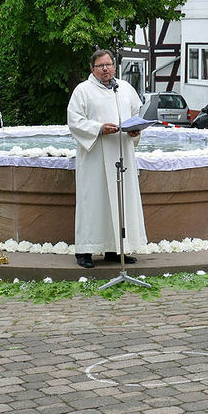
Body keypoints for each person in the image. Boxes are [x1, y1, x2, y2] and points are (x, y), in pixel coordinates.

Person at [67, 49, 147, 268]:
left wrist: (135, 131)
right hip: (95, 157)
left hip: (121, 154)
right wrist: (98, 128)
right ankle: (85, 251)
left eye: (109, 65)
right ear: (92, 68)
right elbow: (74, 122)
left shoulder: (124, 89)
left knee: (120, 201)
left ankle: (116, 249)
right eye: (101, 66)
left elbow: (135, 116)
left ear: (114, 66)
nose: (106, 69)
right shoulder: (83, 91)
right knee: (93, 202)